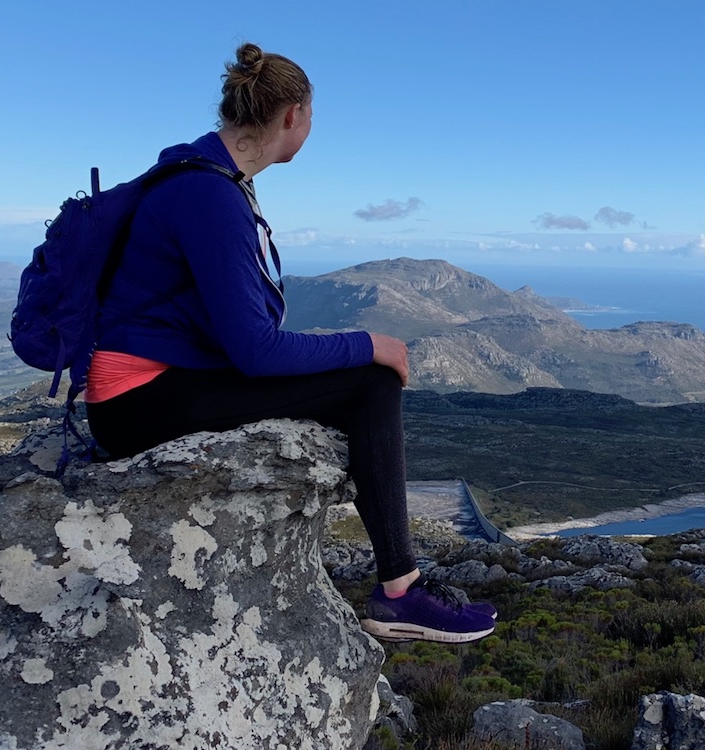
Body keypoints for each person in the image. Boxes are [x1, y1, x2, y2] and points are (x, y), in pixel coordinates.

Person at [84, 42, 496, 644]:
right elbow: (255, 349)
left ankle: (400, 588)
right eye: (312, 118)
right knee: (371, 381)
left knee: (356, 377)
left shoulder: (201, 175)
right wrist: (368, 343)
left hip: (152, 384)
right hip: (139, 402)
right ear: (291, 116)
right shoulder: (211, 195)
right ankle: (400, 592)